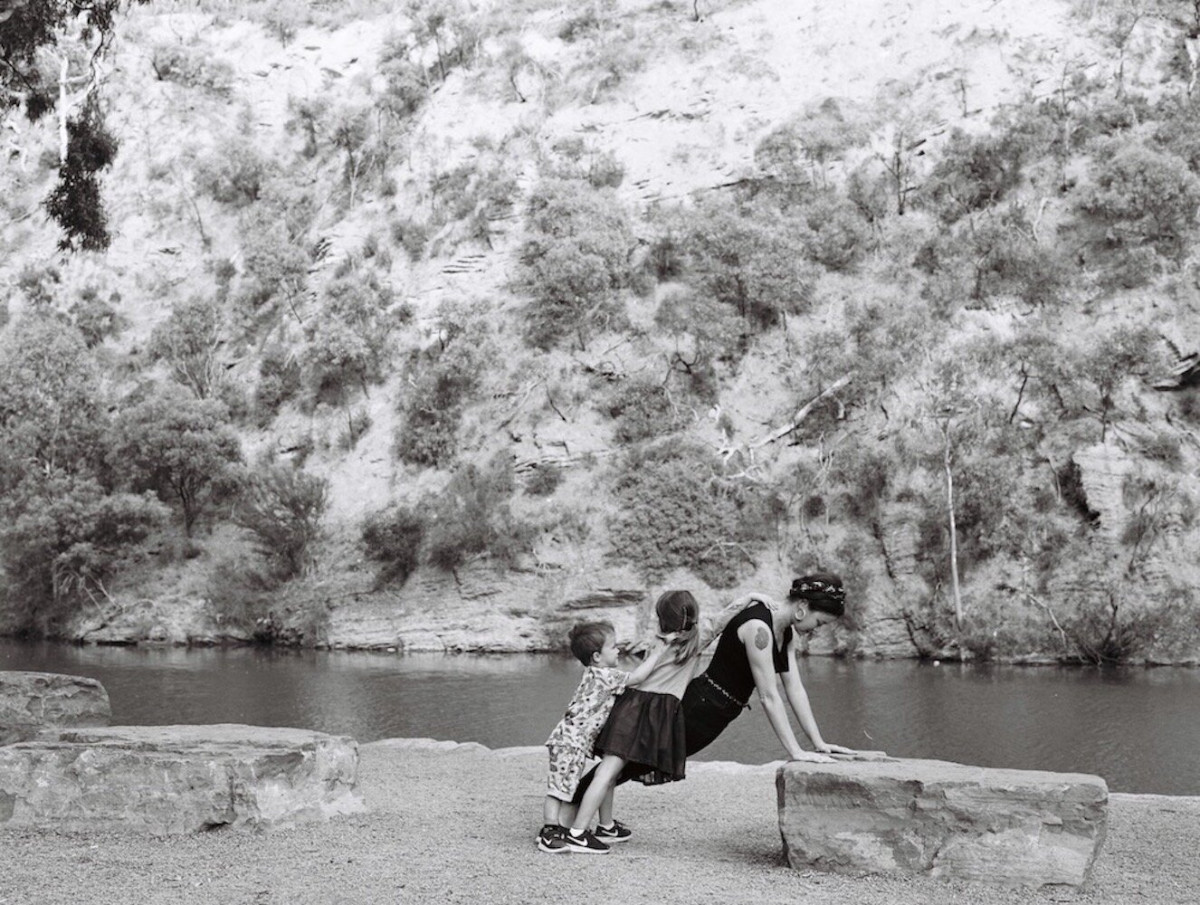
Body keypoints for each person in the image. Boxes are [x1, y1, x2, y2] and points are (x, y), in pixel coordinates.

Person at [571, 572, 856, 800]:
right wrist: (795, 751)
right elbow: (769, 696)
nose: (816, 629)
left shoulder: (785, 632)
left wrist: (818, 744)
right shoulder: (759, 628)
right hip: (700, 710)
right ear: (802, 607)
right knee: (634, 760)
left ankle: (577, 812)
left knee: (630, 762)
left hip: (716, 712)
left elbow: (795, 688)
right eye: (820, 622)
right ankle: (568, 811)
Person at [561, 590, 719, 854]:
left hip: (630, 705)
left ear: (662, 619)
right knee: (607, 773)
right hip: (644, 712)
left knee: (609, 772)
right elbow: (723, 620)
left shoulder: (658, 640)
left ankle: (606, 826)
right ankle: (578, 833)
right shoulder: (697, 640)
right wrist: (750, 598)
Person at [538, 620, 665, 854]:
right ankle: (549, 831)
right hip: (571, 742)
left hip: (568, 740)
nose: (618, 650)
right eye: (613, 646)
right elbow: (637, 678)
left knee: (562, 784)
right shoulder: (604, 676)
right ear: (597, 656)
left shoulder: (594, 674)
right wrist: (657, 654)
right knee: (559, 788)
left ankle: (556, 828)